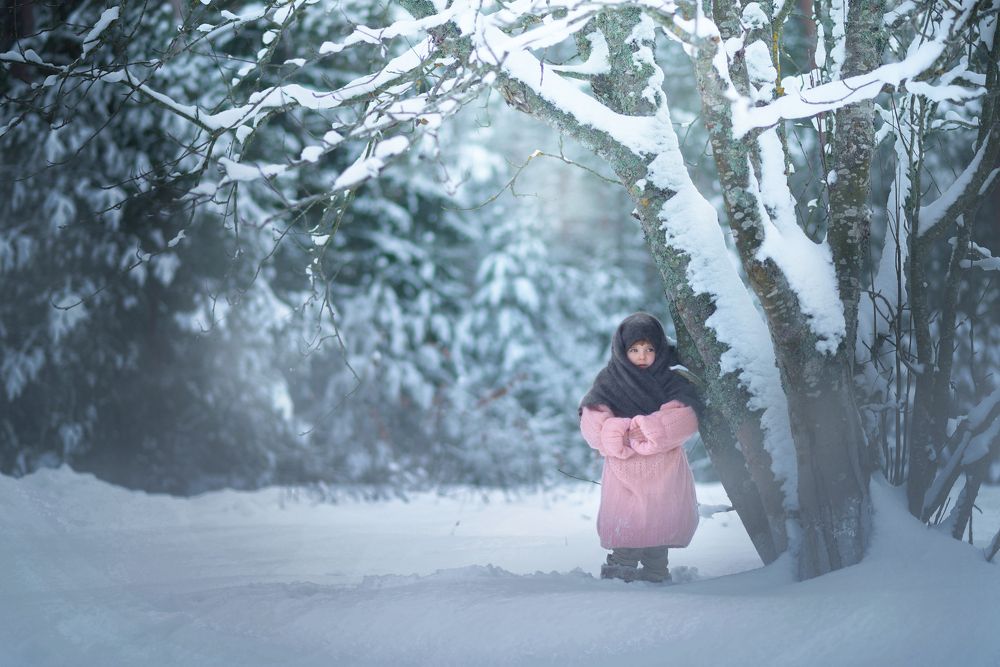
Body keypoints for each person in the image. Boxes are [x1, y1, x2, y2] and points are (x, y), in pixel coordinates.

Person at [579, 312, 701, 583]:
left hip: (664, 468)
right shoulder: (609, 380)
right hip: (624, 468)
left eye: (649, 349)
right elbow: (592, 421)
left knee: (659, 529)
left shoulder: (672, 379)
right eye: (634, 350)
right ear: (622, 350)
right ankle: (618, 581)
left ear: (659, 348)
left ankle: (656, 576)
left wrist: (651, 428)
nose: (642, 356)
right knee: (626, 530)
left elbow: (685, 416)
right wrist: (616, 432)